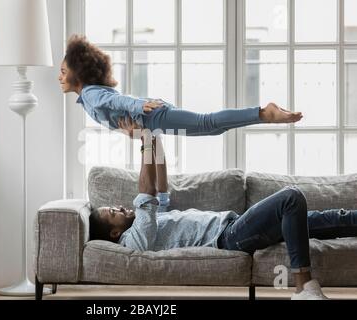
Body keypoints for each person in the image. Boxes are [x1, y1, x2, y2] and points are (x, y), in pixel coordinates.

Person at [89, 119, 357, 300]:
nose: (120, 207)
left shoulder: (151, 220)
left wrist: (151, 136)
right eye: (114, 212)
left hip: (237, 225)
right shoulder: (135, 238)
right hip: (229, 237)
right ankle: (303, 287)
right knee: (291, 197)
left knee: (332, 219)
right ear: (114, 233)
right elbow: (146, 192)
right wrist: (145, 141)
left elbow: (159, 184)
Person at [59, 35, 303, 137]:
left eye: (63, 71)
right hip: (152, 121)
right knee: (211, 128)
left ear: (78, 72)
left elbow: (116, 101)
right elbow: (115, 107)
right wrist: (130, 130)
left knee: (208, 123)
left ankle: (263, 113)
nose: (59, 78)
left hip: (153, 116)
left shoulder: (90, 94)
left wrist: (139, 105)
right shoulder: (88, 98)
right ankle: (261, 115)